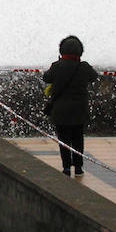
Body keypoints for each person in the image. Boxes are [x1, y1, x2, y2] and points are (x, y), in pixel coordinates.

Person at [43, 35, 99, 177]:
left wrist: (58, 64)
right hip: (79, 110)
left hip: (60, 111)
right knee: (78, 139)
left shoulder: (57, 66)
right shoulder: (84, 67)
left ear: (62, 50)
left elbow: (46, 78)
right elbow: (94, 77)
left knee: (64, 140)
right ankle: (79, 168)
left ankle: (66, 167)